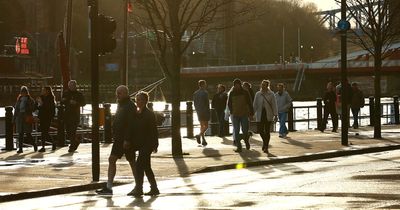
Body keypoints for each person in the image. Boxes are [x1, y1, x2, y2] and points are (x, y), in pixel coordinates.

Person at [96, 85, 137, 195]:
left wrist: (127, 139)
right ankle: (109, 187)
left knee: (132, 161)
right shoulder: (121, 105)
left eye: (119, 93)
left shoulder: (130, 106)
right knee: (113, 159)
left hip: (126, 139)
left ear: (126, 93)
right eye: (117, 93)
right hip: (119, 139)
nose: (117, 95)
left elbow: (130, 124)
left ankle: (138, 185)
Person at [130, 91, 160, 197]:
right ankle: (154, 188)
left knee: (139, 166)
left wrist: (155, 144)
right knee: (146, 167)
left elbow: (153, 130)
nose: (139, 102)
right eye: (137, 100)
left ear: (146, 101)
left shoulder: (149, 114)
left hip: (147, 144)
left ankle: (139, 188)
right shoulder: (137, 114)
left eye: (141, 100)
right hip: (141, 144)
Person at [228, 78, 254, 152]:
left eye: (238, 85)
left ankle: (246, 140)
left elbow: (250, 103)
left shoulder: (245, 92)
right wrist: (231, 111)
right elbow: (229, 103)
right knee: (236, 130)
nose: (237, 86)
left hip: (244, 114)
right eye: (235, 85)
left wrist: (251, 113)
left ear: (240, 84)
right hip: (235, 114)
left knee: (245, 130)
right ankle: (239, 147)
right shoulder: (232, 93)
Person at [253, 80, 278, 154]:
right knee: (260, 130)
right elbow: (255, 104)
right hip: (260, 114)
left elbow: (274, 105)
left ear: (267, 86)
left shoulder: (271, 94)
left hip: (268, 114)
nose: (262, 86)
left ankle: (266, 146)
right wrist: (252, 113)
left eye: (264, 85)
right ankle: (264, 142)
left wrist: (275, 115)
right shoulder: (258, 94)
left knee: (267, 131)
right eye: (262, 84)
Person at [61, 80, 85, 152]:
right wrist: (64, 100)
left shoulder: (79, 94)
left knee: (72, 131)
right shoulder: (66, 93)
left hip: (75, 115)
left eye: (72, 85)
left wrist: (76, 103)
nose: (71, 87)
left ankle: (71, 146)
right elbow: (62, 101)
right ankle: (76, 142)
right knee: (68, 130)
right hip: (67, 114)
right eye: (70, 86)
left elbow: (84, 103)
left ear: (75, 86)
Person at [13, 86, 36, 153]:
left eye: (24, 92)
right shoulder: (19, 100)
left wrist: (28, 106)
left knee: (28, 133)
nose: (23, 94)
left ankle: (34, 145)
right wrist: (14, 119)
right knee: (20, 134)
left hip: (26, 117)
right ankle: (20, 148)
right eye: (22, 92)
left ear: (27, 92)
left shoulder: (30, 100)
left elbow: (33, 108)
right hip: (20, 118)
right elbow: (16, 109)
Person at [36, 86, 56, 152]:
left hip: (47, 117)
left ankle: (52, 143)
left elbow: (49, 108)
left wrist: (42, 104)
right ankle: (44, 146)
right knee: (43, 132)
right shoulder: (41, 97)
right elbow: (38, 107)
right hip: (42, 116)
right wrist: (37, 103)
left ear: (47, 91)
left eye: (44, 90)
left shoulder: (51, 98)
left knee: (45, 131)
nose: (42, 91)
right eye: (42, 90)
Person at [193, 80, 210, 146]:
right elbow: (207, 103)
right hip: (205, 111)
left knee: (201, 126)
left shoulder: (195, 93)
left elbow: (194, 103)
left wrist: (197, 110)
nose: (205, 85)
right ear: (203, 85)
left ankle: (203, 140)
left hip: (199, 111)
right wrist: (208, 111)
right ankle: (199, 135)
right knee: (206, 126)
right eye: (205, 84)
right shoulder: (205, 93)